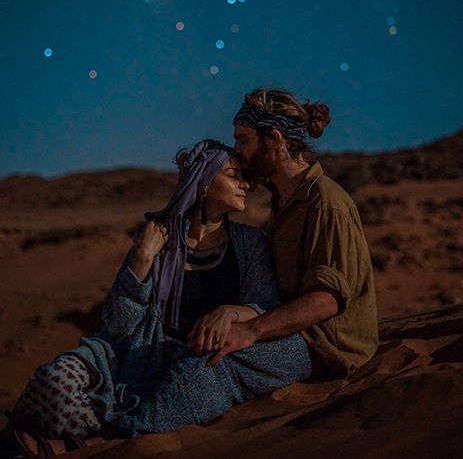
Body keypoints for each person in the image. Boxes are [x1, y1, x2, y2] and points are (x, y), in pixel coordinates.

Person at [7, 139, 313, 457]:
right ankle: (27, 432)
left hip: (199, 363)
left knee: (231, 369)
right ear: (204, 184)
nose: (245, 184)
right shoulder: (158, 240)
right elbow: (119, 326)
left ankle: (102, 439)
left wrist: (231, 312)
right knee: (54, 380)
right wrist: (140, 264)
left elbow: (266, 303)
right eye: (233, 176)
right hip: (138, 359)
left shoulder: (249, 243)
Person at [208, 89, 378, 380]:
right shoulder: (283, 201)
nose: (237, 150)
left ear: (274, 140)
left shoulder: (325, 202)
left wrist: (251, 330)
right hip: (293, 332)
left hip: (326, 347)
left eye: (244, 140)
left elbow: (327, 299)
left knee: (212, 366)